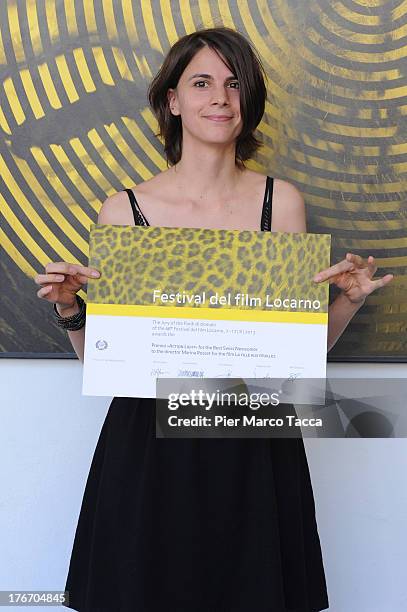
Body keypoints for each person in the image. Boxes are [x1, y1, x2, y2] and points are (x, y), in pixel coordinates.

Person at [34, 27, 393, 612]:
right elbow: (102, 363)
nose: (219, 97)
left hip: (252, 440)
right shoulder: (125, 210)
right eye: (201, 82)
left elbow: (292, 364)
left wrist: (347, 300)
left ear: (247, 101)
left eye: (233, 83)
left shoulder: (283, 202)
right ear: (173, 100)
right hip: (148, 443)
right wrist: (72, 309)